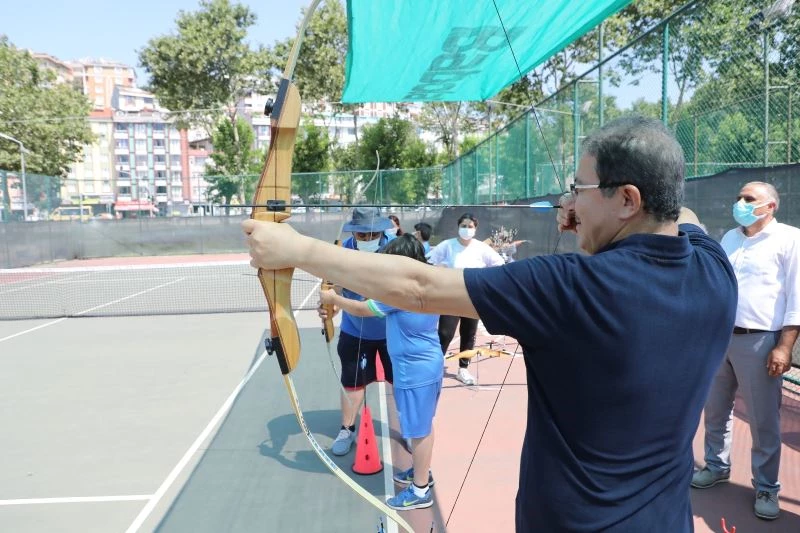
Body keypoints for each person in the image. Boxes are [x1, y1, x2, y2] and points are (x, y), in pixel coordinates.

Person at [242, 116, 737, 531]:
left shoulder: (575, 285)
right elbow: (683, 213)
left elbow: (420, 288)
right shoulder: (715, 268)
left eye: (578, 188)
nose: (571, 200)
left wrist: (297, 250)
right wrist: (588, 211)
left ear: (628, 199)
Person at [692, 181, 800, 521]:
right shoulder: (730, 238)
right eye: (738, 196)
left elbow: (797, 298)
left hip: (761, 341)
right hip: (721, 337)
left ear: (770, 207)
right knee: (715, 410)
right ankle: (716, 465)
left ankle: (766, 487)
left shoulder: (790, 240)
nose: (740, 202)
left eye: (749, 198)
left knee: (763, 419)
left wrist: (784, 346)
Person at [320, 234, 442, 511]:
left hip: (414, 369)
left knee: (420, 430)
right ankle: (420, 473)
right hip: (428, 362)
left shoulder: (401, 292)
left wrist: (333, 298)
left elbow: (364, 308)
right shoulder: (430, 280)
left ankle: (419, 490)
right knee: (423, 426)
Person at [322, 206, 396, 456]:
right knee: (352, 383)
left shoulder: (397, 248)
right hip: (355, 331)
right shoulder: (342, 250)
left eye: (373, 234)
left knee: (401, 384)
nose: (367, 239)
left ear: (382, 231)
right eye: (362, 235)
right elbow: (334, 289)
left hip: (393, 332)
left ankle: (409, 429)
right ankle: (347, 427)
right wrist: (328, 310)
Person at [428, 213, 504, 385]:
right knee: (445, 333)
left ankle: (463, 369)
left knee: (468, 333)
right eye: (463, 225)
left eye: (470, 226)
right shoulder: (447, 245)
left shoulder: (481, 248)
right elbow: (430, 262)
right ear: (458, 227)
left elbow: (499, 264)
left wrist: (485, 283)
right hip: (452, 296)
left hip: (474, 297)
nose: (466, 229)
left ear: (475, 229)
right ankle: (435, 367)